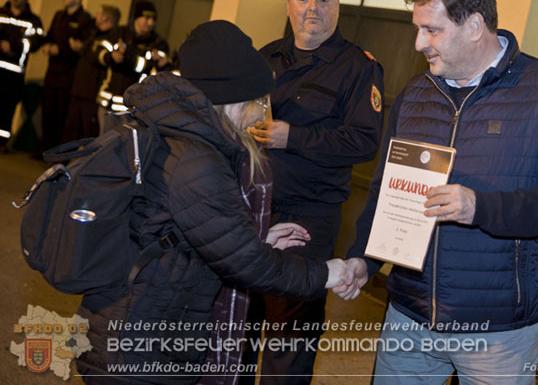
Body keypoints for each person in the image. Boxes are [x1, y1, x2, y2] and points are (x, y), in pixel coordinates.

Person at [335, 0, 538, 384]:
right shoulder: (415, 94)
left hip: (496, 333)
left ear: (474, 26)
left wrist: (481, 207)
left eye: (432, 31)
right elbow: (386, 191)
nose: (419, 43)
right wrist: (364, 260)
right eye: (418, 29)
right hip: (409, 316)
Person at [75, 20, 348, 385]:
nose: (260, 114)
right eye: (258, 102)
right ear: (234, 100)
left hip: (134, 328)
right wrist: (329, 273)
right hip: (141, 345)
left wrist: (255, 239)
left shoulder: (176, 135)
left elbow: (187, 234)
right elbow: (247, 265)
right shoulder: (197, 160)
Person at [245, 0, 385, 384]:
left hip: (308, 220)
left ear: (337, 7)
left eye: (323, 0)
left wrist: (295, 137)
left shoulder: (358, 68)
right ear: (288, 4)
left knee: (289, 344)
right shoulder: (264, 58)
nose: (313, 8)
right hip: (250, 212)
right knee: (234, 331)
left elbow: (364, 142)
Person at [96, 0, 169, 129]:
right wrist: (111, 57)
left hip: (134, 109)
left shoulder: (157, 43)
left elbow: (147, 66)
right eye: (146, 18)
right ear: (136, 18)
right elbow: (97, 52)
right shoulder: (118, 33)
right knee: (104, 144)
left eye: (153, 19)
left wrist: (126, 57)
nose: (150, 23)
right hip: (108, 103)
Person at [40, 0, 94, 151]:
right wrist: (47, 46)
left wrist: (62, 50)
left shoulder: (85, 19)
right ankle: (45, 148)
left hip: (69, 75)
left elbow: (83, 48)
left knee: (62, 114)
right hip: (52, 72)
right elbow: (49, 36)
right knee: (48, 111)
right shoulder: (59, 16)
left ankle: (58, 150)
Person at [61, 5, 120, 142]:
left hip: (92, 94)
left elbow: (99, 57)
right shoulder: (94, 34)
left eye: (98, 13)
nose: (95, 16)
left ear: (106, 17)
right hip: (79, 90)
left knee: (88, 133)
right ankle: (61, 161)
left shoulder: (112, 38)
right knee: (70, 129)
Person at [0, 0, 43, 152]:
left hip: (15, 72)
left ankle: (2, 142)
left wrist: (14, 45)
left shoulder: (33, 20)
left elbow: (36, 42)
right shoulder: (1, 13)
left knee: (8, 107)